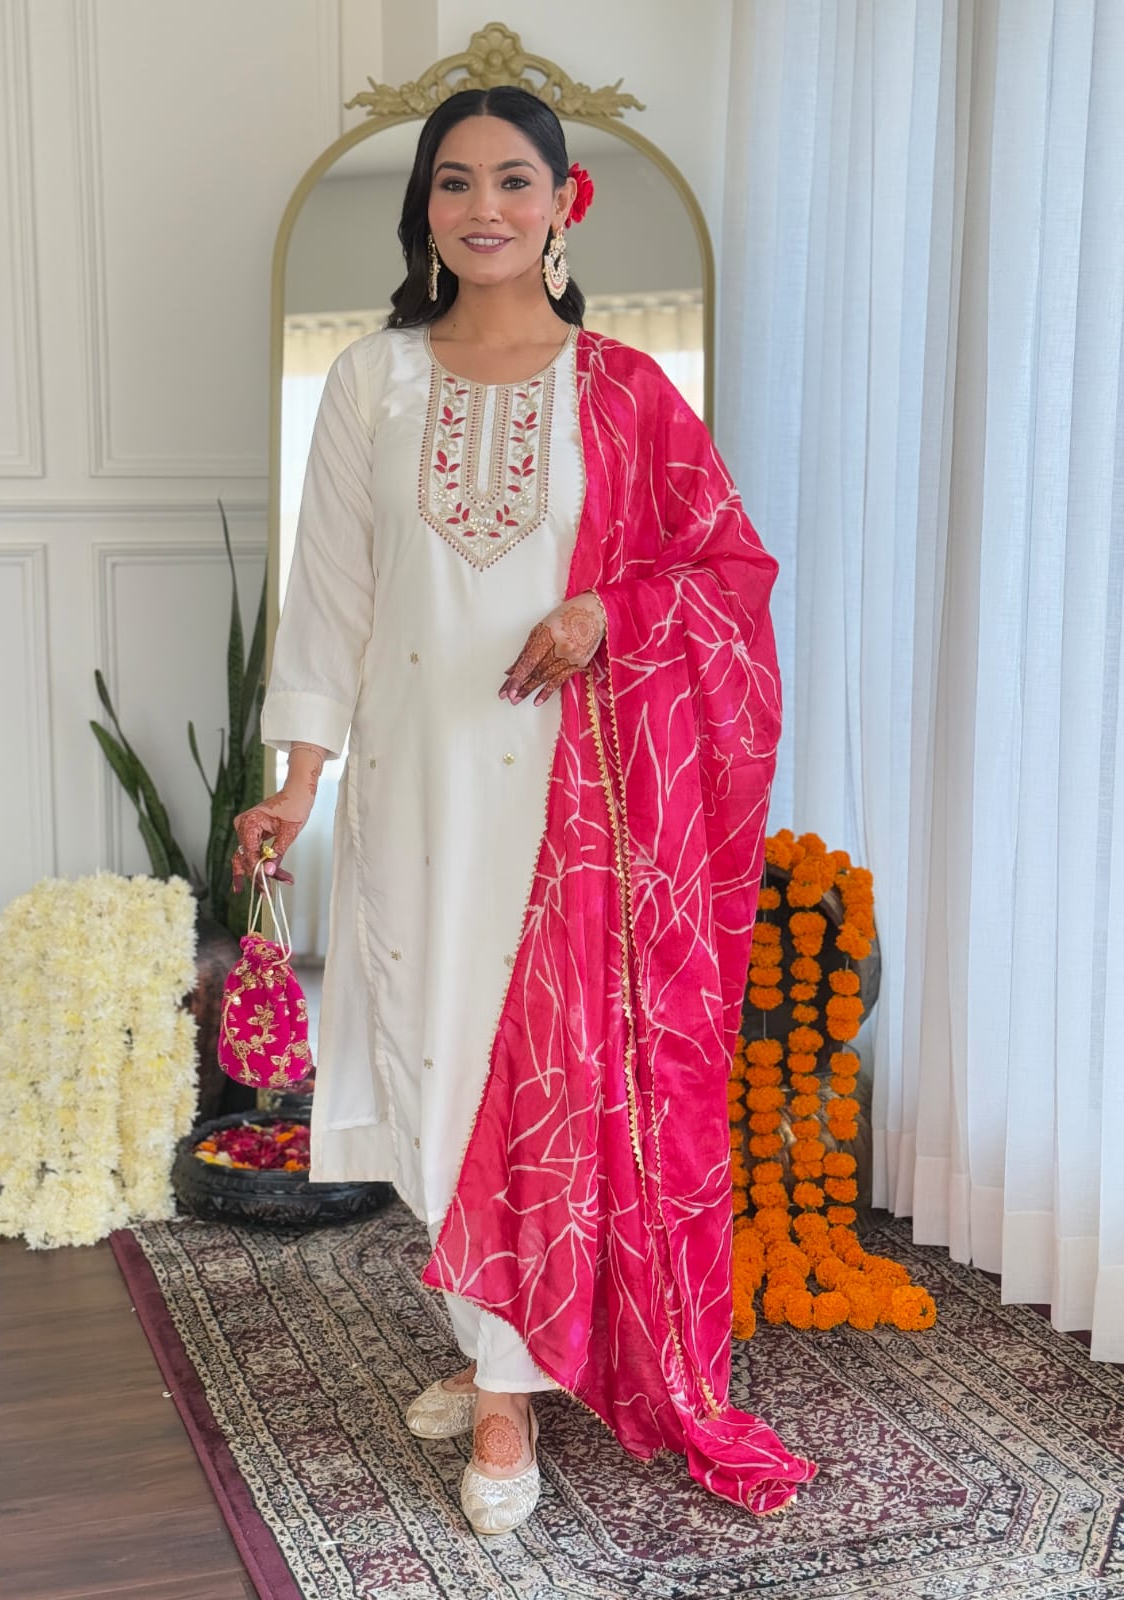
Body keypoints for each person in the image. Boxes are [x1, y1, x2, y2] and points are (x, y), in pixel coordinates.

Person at [233, 85, 817, 1535]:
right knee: (432, 1070)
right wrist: (297, 780)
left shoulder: (624, 389)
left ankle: (505, 1394)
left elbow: (728, 577)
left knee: (546, 1074)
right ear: (424, 210)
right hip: (413, 785)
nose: (482, 207)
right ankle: (504, 1327)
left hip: (577, 805)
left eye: (511, 180)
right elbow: (331, 600)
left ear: (563, 204)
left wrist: (608, 614)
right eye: (453, 182)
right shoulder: (373, 380)